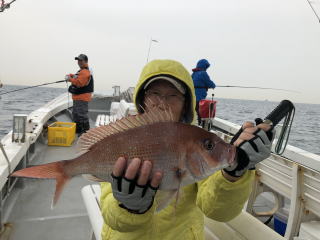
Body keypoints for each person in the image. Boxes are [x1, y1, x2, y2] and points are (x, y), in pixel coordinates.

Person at [100, 59, 274, 240]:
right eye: (155, 93)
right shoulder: (124, 138)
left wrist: (234, 173)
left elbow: (217, 211)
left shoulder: (195, 141)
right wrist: (129, 207)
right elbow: (109, 213)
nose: (161, 103)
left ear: (186, 103)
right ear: (143, 97)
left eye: (173, 95)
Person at [66, 54, 94, 135]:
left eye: (81, 60)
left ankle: (85, 132)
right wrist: (71, 75)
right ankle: (78, 130)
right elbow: (77, 77)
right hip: (78, 98)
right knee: (76, 114)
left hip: (82, 98)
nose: (79, 62)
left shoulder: (85, 71)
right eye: (78, 60)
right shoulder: (81, 71)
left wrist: (69, 79)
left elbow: (79, 83)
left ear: (86, 61)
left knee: (82, 115)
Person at [191, 59, 216, 125]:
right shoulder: (203, 73)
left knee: (194, 111)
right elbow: (209, 83)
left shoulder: (193, 74)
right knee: (199, 111)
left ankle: (194, 124)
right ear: (204, 66)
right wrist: (213, 86)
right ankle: (198, 125)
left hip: (192, 96)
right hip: (199, 97)